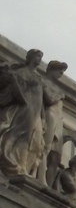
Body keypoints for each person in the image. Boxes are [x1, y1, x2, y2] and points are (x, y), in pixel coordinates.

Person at [0, 49, 47, 177]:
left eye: (41, 56)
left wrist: (43, 117)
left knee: (36, 141)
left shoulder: (39, 77)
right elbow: (16, 90)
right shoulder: (22, 72)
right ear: (30, 57)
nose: (39, 59)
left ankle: (24, 165)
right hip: (25, 109)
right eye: (37, 56)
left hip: (36, 112)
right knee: (22, 135)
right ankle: (15, 163)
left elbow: (41, 99)